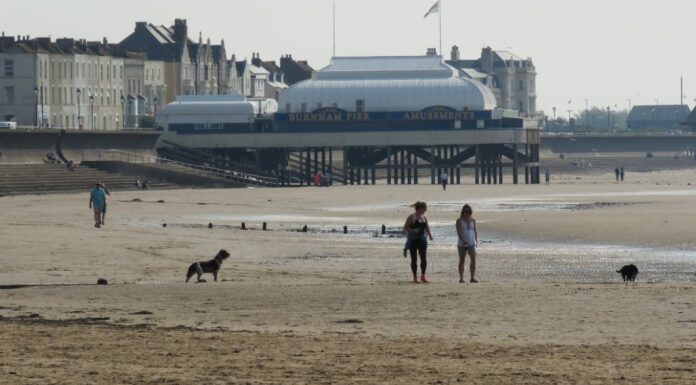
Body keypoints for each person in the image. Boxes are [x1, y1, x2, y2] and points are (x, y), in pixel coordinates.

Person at [403, 201, 434, 283]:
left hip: (422, 240)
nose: (426, 210)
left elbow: (427, 227)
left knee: (423, 258)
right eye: (425, 208)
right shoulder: (412, 216)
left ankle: (423, 276)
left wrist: (430, 235)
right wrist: (413, 231)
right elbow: (405, 227)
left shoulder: (424, 217)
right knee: (414, 259)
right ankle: (415, 277)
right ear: (420, 208)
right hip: (413, 240)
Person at [456, 204, 478, 283]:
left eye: (469, 211)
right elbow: (458, 232)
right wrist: (463, 240)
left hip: (471, 243)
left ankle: (472, 277)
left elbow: (475, 230)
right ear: (463, 212)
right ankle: (461, 278)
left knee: (473, 259)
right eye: (466, 211)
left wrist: (476, 240)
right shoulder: (459, 221)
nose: (467, 213)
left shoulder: (473, 220)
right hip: (462, 244)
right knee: (462, 260)